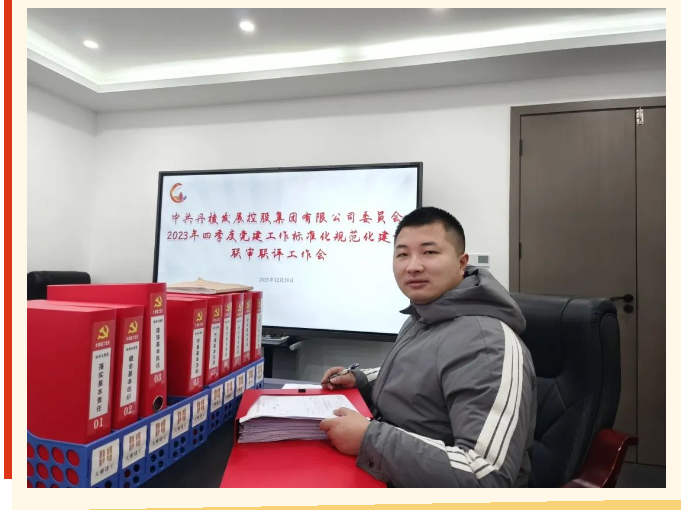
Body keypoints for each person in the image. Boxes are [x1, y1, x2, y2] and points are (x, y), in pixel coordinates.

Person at [319, 206, 537, 487]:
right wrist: (360, 379)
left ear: (462, 262)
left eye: (429, 252)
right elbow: (420, 374)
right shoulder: (424, 315)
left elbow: (485, 477)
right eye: (402, 254)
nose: (413, 266)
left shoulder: (487, 344)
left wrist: (368, 439)